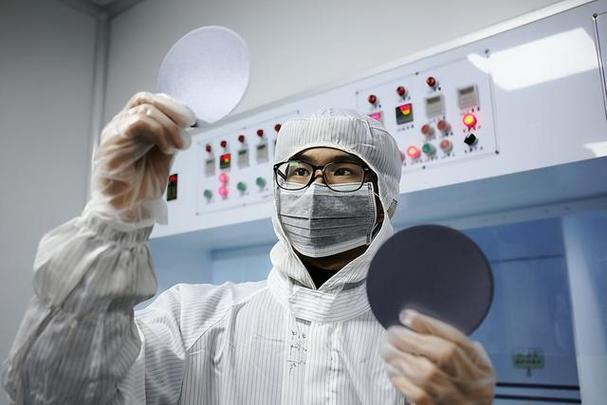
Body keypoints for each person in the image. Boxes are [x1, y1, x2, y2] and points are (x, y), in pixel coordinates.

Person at [3, 92, 496, 404]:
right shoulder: (191, 323)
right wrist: (112, 221)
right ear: (278, 192)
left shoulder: (424, 351)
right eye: (298, 171)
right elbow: (52, 393)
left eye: (343, 171)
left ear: (386, 199)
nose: (315, 188)